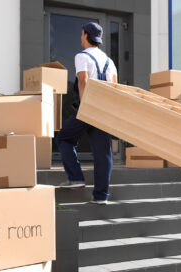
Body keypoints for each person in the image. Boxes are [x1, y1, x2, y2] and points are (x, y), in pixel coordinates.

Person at [56, 22, 117, 205]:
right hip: (104, 111)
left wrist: (85, 107)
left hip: (88, 108)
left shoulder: (82, 57)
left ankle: (76, 177)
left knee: (64, 138)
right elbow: (115, 88)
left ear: (85, 35)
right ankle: (100, 197)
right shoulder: (109, 61)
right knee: (103, 153)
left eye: (81, 34)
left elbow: (83, 81)